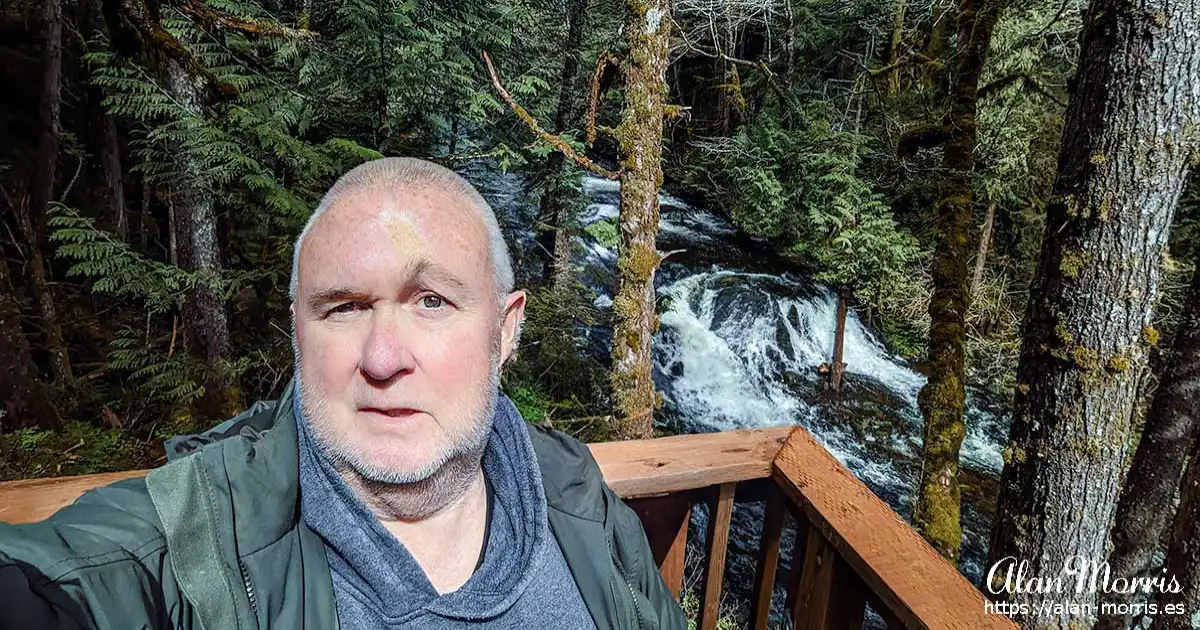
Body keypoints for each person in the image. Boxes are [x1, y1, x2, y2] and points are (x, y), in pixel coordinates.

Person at [0, 157, 686, 629]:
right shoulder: (196, 541)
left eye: (432, 301)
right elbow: (59, 582)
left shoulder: (575, 494)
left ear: (505, 331)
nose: (384, 358)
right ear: (296, 328)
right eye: (345, 308)